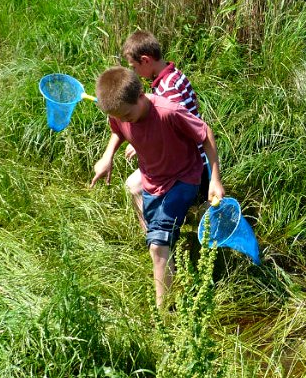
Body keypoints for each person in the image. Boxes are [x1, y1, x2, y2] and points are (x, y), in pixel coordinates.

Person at [91, 66, 224, 308]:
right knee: (158, 239)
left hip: (183, 178)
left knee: (158, 244)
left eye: (127, 115)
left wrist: (214, 179)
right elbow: (118, 130)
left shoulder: (168, 112)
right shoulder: (120, 114)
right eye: (119, 117)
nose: (123, 120)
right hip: (152, 181)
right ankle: (164, 254)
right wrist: (107, 155)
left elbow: (205, 135)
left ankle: (164, 314)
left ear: (141, 95)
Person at [119, 31, 207, 232]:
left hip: (188, 162)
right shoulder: (173, 76)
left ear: (145, 60)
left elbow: (171, 127)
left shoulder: (168, 91)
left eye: (133, 67)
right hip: (192, 157)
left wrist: (140, 144)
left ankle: (154, 235)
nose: (133, 71)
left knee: (133, 186)